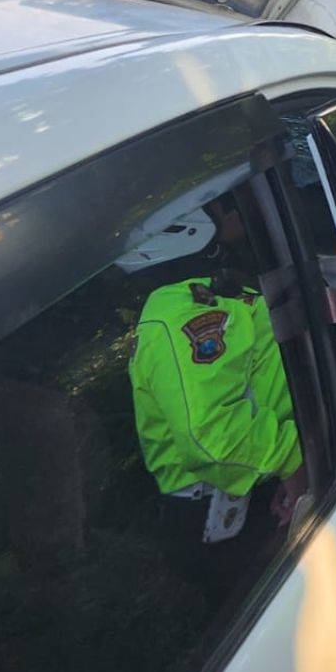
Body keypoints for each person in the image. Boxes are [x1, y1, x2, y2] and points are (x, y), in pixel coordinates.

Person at [126, 205, 306, 585]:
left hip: (251, 483)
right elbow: (212, 436)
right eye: (224, 206)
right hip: (223, 513)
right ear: (186, 227)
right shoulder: (183, 315)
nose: (235, 209)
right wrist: (295, 461)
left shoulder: (210, 295)